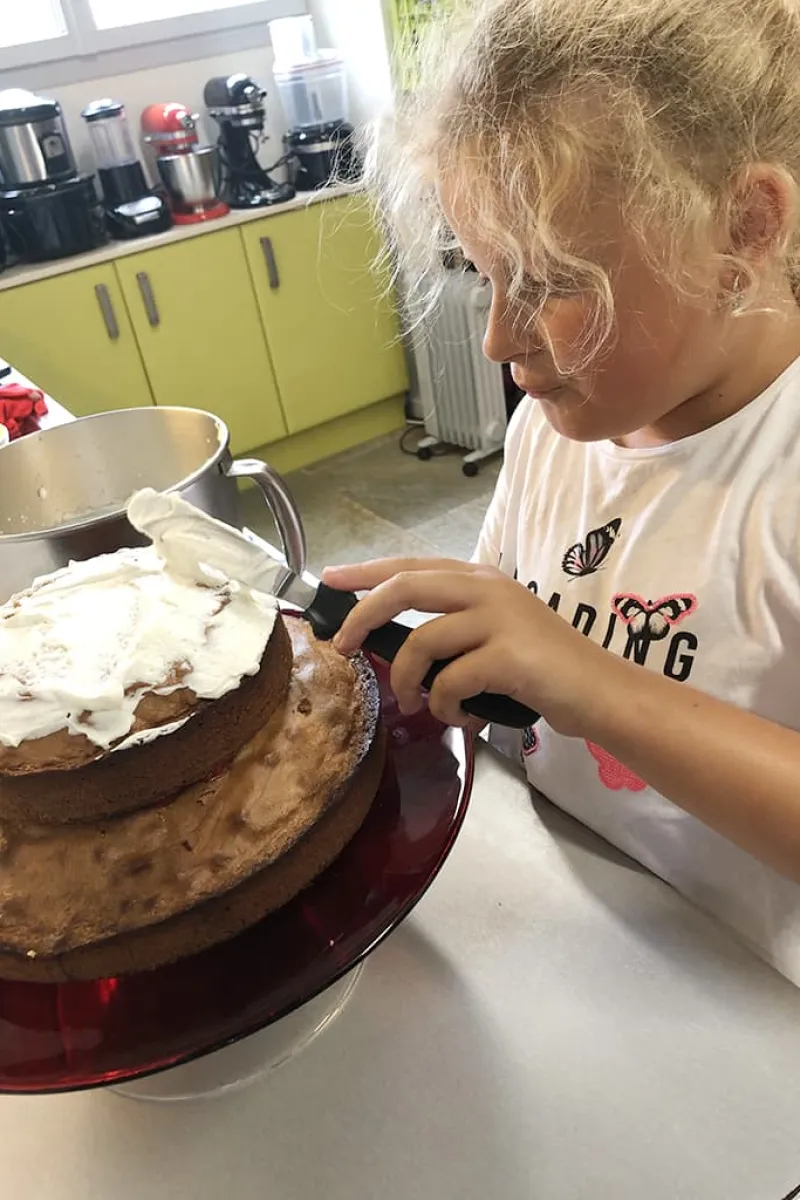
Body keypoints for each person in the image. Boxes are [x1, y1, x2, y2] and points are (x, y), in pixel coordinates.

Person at [323, 0, 800, 985]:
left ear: (741, 227)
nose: (497, 338)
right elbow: (521, 635)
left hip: (734, 995)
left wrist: (595, 685)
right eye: (482, 272)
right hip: (571, 926)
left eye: (549, 279)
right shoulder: (555, 423)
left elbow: (574, 672)